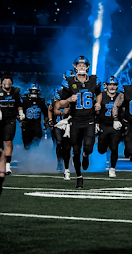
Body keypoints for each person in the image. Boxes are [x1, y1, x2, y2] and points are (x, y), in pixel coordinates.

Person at [55, 56, 102, 188]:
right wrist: (69, 99)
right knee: (75, 151)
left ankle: (86, 155)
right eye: (79, 65)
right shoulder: (69, 81)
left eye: (83, 65)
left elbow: (99, 93)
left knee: (88, 146)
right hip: (75, 121)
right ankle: (79, 177)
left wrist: (98, 103)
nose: (81, 67)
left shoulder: (94, 79)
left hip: (89, 120)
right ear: (75, 66)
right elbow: (60, 103)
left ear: (87, 66)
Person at [0, 75, 24, 174]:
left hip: (10, 119)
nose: (7, 83)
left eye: (9, 81)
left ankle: (7, 166)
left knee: (8, 142)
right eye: (5, 81)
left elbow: (19, 104)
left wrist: (21, 112)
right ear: (1, 83)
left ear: (12, 83)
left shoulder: (16, 91)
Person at [97, 76, 123, 177]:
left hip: (115, 126)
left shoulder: (120, 96)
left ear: (117, 86)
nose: (112, 87)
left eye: (114, 85)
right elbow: (96, 111)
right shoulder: (101, 96)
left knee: (114, 147)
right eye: (110, 84)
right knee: (101, 149)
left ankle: (112, 168)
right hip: (104, 125)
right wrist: (96, 123)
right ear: (106, 85)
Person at [20, 83, 48, 150]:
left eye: (35, 91)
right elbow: (18, 110)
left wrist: (46, 122)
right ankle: (27, 157)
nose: (34, 93)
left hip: (36, 125)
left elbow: (45, 113)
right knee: (27, 144)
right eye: (32, 91)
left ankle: (34, 156)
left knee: (36, 143)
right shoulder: (24, 100)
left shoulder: (41, 101)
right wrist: (20, 119)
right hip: (26, 124)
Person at [52, 88, 72, 179]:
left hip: (71, 123)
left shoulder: (77, 92)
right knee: (59, 142)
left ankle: (68, 163)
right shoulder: (59, 93)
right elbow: (52, 109)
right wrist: (61, 113)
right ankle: (59, 161)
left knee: (68, 145)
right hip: (59, 123)